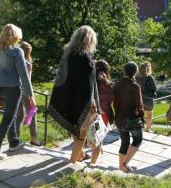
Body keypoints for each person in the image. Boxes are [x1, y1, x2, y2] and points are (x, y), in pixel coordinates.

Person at [48, 26, 101, 165]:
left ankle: (79, 155)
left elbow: (62, 79)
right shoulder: (86, 60)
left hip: (69, 97)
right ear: (90, 40)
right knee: (82, 133)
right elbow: (88, 85)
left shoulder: (67, 56)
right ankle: (72, 163)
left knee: (77, 128)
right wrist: (93, 102)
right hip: (85, 101)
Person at [0, 24, 36, 160]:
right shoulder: (16, 51)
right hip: (12, 89)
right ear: (15, 36)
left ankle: (14, 142)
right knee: (7, 118)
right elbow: (24, 74)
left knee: (10, 115)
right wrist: (30, 95)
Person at [113, 62, 144, 173]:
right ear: (135, 73)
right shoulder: (135, 86)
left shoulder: (116, 84)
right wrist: (142, 117)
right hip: (131, 118)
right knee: (138, 139)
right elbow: (140, 106)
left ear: (124, 71)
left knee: (124, 142)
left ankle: (121, 167)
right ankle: (125, 163)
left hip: (119, 118)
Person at [14, 41, 40, 146]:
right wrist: (31, 96)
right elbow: (27, 80)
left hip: (16, 90)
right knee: (32, 113)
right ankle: (34, 138)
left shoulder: (15, 61)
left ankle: (14, 138)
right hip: (26, 92)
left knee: (19, 115)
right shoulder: (27, 63)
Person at [136, 61, 157, 132]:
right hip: (148, 99)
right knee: (149, 114)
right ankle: (148, 129)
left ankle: (139, 128)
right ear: (148, 69)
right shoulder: (149, 77)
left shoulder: (136, 77)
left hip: (139, 98)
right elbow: (154, 89)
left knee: (140, 114)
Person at [96, 59, 114, 126]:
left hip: (93, 113)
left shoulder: (91, 82)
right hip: (105, 113)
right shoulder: (109, 84)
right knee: (103, 134)